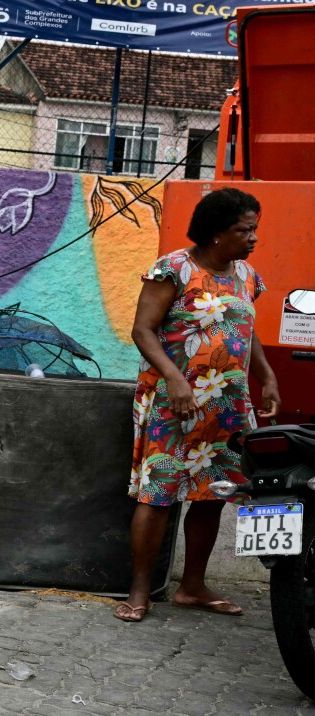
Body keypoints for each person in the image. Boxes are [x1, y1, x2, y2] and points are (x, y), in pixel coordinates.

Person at [118, 187, 278, 623]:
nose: (253, 239)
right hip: (176, 402)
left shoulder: (247, 276)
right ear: (215, 234)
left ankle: (193, 587)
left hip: (226, 405)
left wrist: (265, 376)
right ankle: (139, 590)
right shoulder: (173, 269)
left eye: (254, 230)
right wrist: (174, 378)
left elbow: (243, 326)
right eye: (245, 230)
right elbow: (142, 330)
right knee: (158, 494)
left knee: (213, 494)